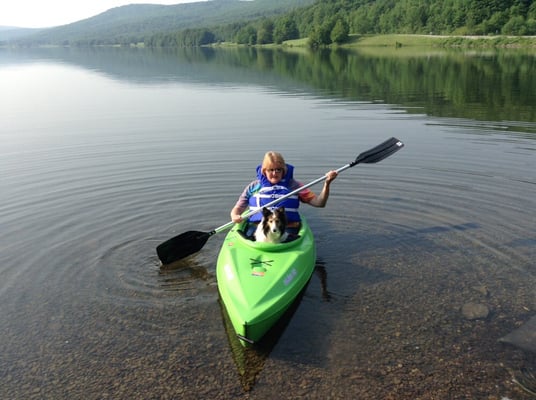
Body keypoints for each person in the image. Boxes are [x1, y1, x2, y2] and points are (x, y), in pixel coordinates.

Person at [230, 151, 338, 236]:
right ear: (264, 171)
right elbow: (238, 208)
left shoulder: (295, 186)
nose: (274, 173)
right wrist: (234, 215)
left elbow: (319, 203)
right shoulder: (253, 187)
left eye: (278, 170)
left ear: (284, 170)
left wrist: (327, 183)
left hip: (288, 228)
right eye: (270, 170)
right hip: (258, 228)